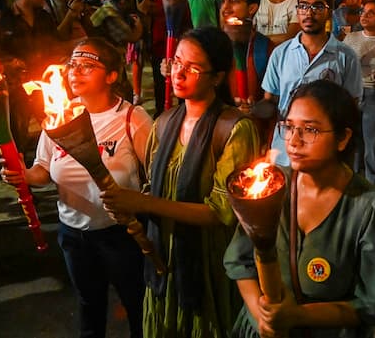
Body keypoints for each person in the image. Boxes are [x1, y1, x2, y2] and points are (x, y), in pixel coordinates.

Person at [100, 26, 261, 337]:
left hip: (208, 260)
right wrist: (131, 208)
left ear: (216, 76)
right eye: (176, 62)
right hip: (163, 258)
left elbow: (221, 212)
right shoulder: (164, 123)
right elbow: (153, 188)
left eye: (193, 67)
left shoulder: (234, 129)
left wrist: (143, 202)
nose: (179, 73)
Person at [0, 37, 152, 338]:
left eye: (88, 65)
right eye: (73, 64)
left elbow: (156, 177)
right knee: (88, 305)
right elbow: (44, 170)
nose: (75, 71)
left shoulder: (132, 118)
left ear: (111, 76)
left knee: (138, 305)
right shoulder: (59, 117)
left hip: (121, 235)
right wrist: (24, 175)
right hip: (74, 235)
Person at [224, 79, 375, 337]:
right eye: (290, 127)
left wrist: (296, 316)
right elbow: (240, 262)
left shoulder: (368, 207)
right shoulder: (270, 188)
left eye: (310, 130)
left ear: (343, 138)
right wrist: (263, 317)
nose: (294, 141)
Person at [259, 0, 362, 167]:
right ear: (297, 10)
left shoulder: (345, 56)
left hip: (324, 153)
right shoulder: (281, 53)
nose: (309, 13)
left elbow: (351, 106)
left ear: (328, 13)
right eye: (303, 6)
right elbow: (270, 100)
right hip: (285, 150)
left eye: (317, 7)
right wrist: (251, 112)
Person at [0, 0, 67, 150]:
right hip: (15, 90)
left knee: (56, 130)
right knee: (17, 136)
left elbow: (55, 46)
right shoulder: (1, 20)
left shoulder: (44, 18)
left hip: (45, 86)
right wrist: (10, 62)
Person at [343, 0, 375, 189]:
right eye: (363, 12)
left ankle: (374, 187)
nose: (364, 16)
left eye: (371, 13)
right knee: (353, 141)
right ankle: (353, 183)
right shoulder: (350, 38)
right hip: (353, 94)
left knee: (373, 143)